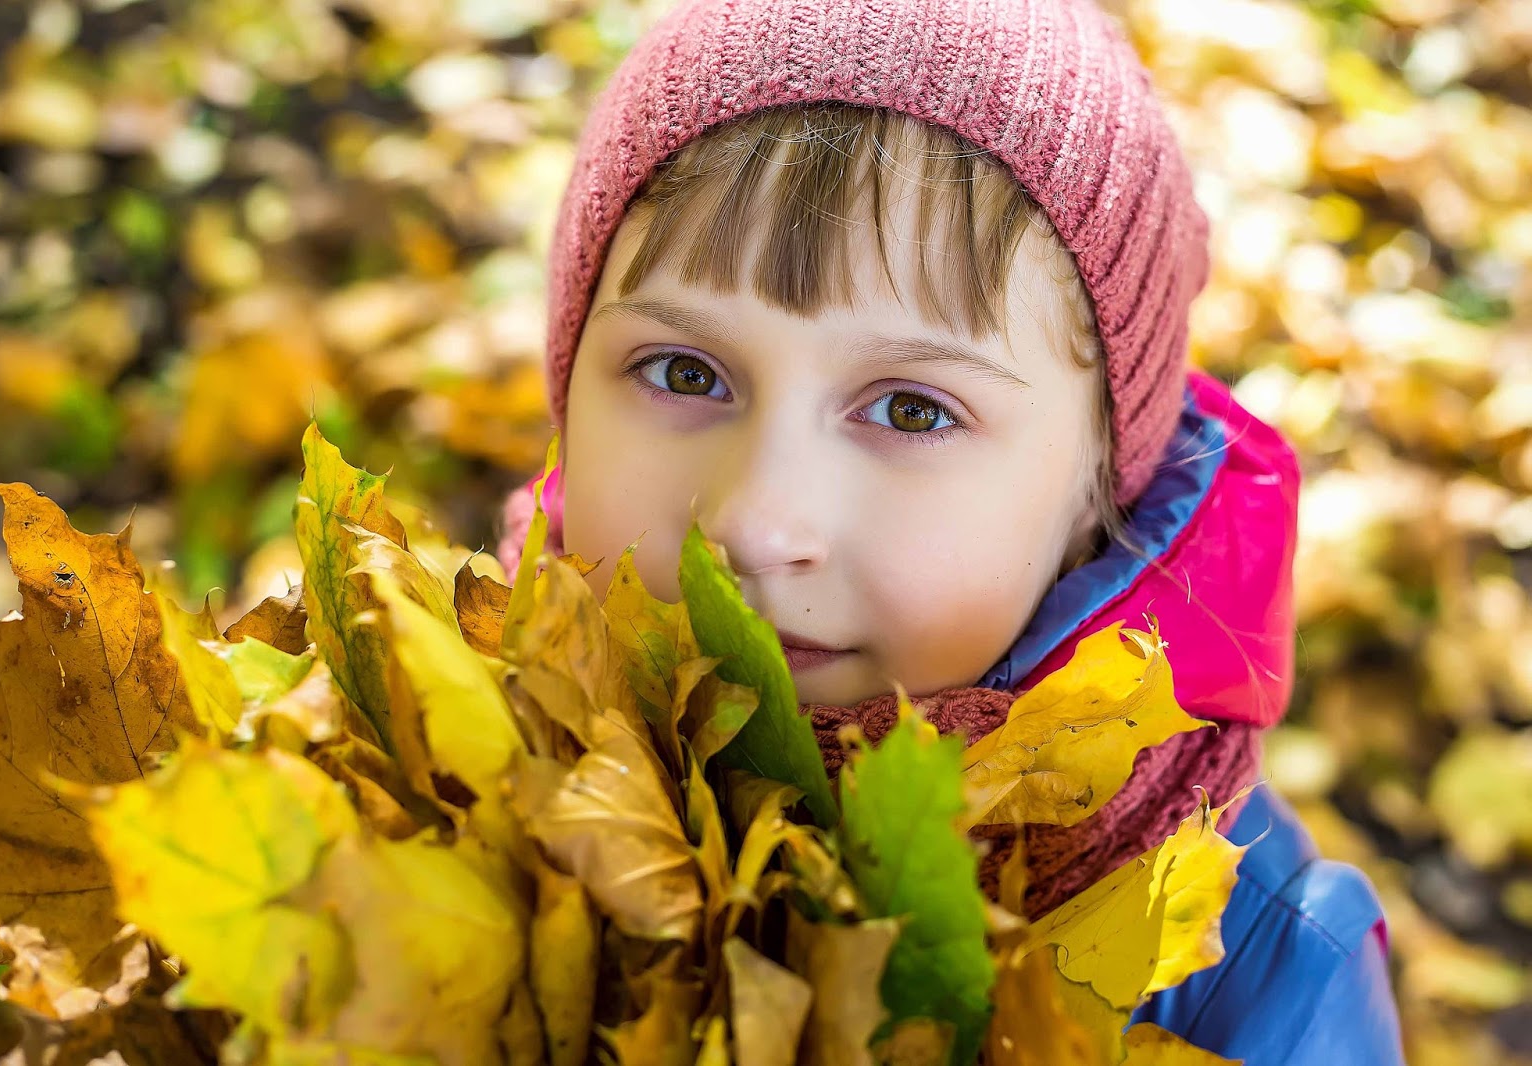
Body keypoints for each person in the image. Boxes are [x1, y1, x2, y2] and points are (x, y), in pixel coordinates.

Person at [493, 0, 1406, 1060]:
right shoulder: (416, 780)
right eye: (684, 373)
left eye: (912, 409)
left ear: (1096, 485)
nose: (754, 522)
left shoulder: (1250, 975)